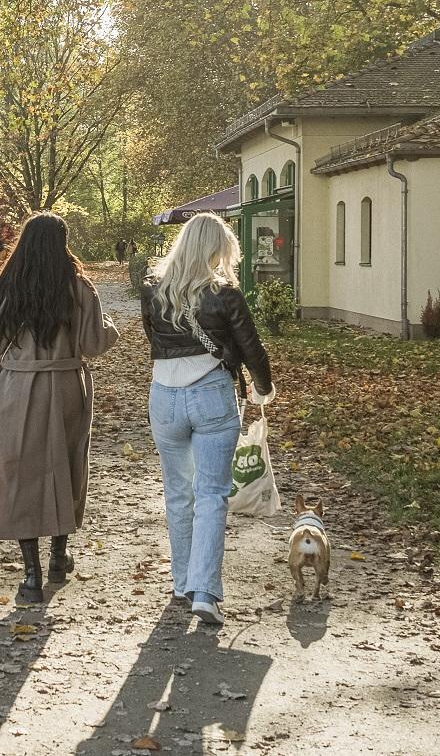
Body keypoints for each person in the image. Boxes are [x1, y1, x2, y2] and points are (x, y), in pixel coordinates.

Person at [0, 213, 119, 604]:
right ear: (62, 243)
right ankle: (59, 557)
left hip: (18, 390)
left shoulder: (11, 286)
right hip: (66, 388)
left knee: (19, 474)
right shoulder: (80, 287)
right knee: (66, 467)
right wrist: (107, 324)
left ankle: (31, 575)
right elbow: (95, 343)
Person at [137, 212, 274, 625]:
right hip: (211, 394)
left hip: (163, 396)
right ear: (217, 248)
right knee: (212, 495)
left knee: (179, 493)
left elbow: (153, 340)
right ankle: (204, 592)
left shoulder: (152, 292)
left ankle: (182, 582)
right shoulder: (225, 293)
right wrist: (262, 387)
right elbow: (252, 347)